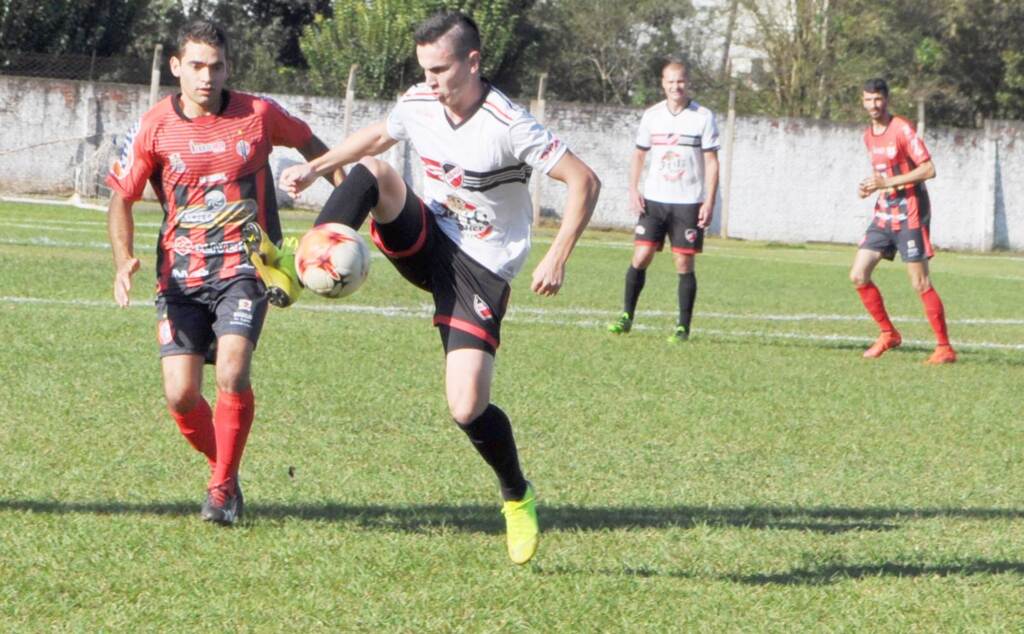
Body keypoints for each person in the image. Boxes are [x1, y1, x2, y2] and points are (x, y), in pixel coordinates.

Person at [261, 11, 600, 564]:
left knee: (466, 406)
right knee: (376, 169)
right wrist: (316, 166)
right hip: (426, 238)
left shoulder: (509, 123)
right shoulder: (421, 101)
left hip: (480, 269)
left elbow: (585, 180)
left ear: (473, 61)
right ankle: (297, 266)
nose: (431, 83)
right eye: (424, 70)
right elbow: (378, 135)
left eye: (441, 70)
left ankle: (516, 494)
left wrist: (558, 256)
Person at [106, 20, 340, 525]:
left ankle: (218, 493)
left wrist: (341, 215)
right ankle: (227, 476)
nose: (206, 77)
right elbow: (121, 198)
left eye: (215, 67)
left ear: (228, 68)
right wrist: (122, 259)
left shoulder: (258, 115)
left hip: (245, 269)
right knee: (181, 394)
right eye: (195, 66)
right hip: (180, 278)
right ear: (176, 68)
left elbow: (316, 147)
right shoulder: (154, 125)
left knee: (233, 370)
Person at [606, 60, 719, 342]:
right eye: (670, 81)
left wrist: (709, 201)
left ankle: (682, 327)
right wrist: (633, 188)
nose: (675, 86)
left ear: (687, 82)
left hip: (688, 201)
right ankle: (626, 316)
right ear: (662, 83)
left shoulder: (703, 116)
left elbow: (712, 161)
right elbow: (639, 154)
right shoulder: (652, 115)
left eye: (680, 81)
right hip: (655, 200)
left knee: (683, 262)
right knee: (641, 256)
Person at [850, 78, 956, 364]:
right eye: (868, 100)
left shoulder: (902, 129)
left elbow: (928, 169)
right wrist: (870, 187)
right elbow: (882, 174)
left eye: (878, 99)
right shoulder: (868, 135)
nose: (873, 105)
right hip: (884, 215)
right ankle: (888, 334)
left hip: (910, 214)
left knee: (920, 282)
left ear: (887, 99)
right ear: (863, 101)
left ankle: (944, 348)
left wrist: (889, 181)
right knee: (858, 275)